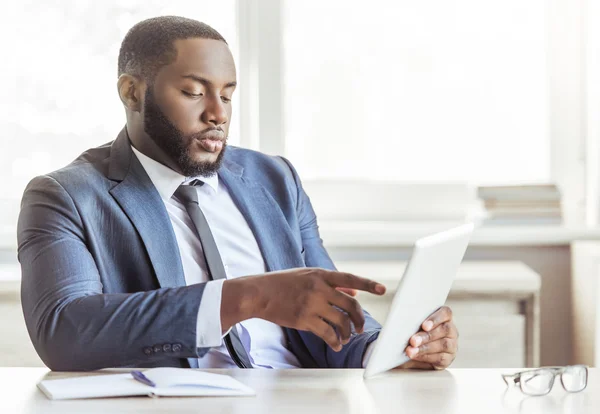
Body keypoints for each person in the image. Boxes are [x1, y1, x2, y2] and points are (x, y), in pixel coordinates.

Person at [17, 16, 458, 371]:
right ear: (133, 93)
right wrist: (247, 297)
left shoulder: (275, 179)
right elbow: (64, 332)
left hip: (301, 401)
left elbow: (331, 320)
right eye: (193, 92)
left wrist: (396, 350)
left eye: (227, 96)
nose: (216, 114)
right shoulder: (65, 196)